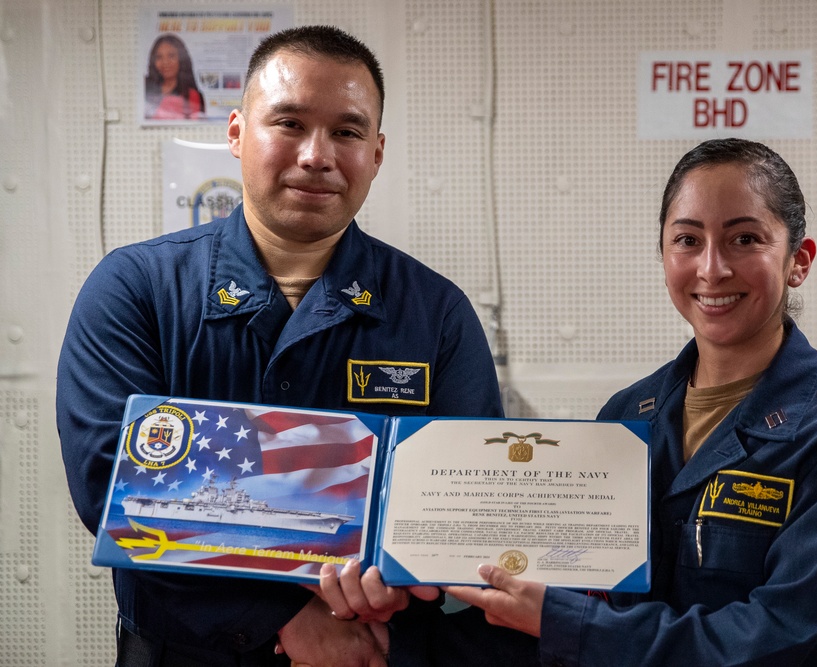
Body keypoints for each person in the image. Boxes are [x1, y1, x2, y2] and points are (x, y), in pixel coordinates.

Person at [324, 138, 817, 666]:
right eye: (688, 239)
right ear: (663, 257)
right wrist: (391, 642)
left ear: (798, 261)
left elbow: (781, 639)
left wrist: (565, 623)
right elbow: (565, 615)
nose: (713, 267)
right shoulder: (625, 418)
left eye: (745, 238)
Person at [58, 25, 502, 666]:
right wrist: (286, 619)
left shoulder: (435, 314)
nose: (316, 154)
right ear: (237, 133)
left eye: (347, 132)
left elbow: (467, 501)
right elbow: (111, 487)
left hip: (369, 644)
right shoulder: (136, 290)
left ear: (376, 153)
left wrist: (387, 591)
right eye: (289, 123)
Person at [144, 33, 205, 120]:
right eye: (159, 57)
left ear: (181, 59)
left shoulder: (192, 96)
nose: (165, 62)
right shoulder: (144, 88)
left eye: (171, 56)